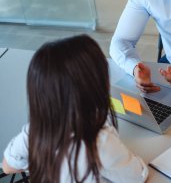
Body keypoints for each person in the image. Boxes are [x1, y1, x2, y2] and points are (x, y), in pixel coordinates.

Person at [2, 35, 148, 182]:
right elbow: (138, 176)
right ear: (93, 87)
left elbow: (7, 167)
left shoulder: (34, 132)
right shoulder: (100, 141)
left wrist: (45, 160)